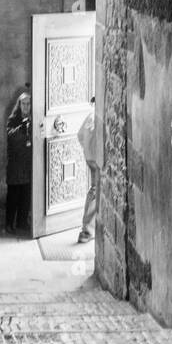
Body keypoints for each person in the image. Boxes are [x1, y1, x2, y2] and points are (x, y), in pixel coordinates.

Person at [4, 87, 33, 234]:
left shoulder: (34, 119)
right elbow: (10, 135)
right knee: (13, 196)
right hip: (16, 164)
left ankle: (22, 222)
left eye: (29, 104)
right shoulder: (13, 119)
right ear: (19, 105)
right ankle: (9, 223)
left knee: (25, 196)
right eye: (24, 104)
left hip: (28, 164)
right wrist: (21, 128)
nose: (26, 107)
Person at [76, 96, 99, 244]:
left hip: (90, 158)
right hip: (97, 159)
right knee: (96, 192)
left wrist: (87, 150)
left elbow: (79, 135)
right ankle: (87, 231)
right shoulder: (99, 118)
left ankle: (88, 229)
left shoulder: (90, 116)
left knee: (94, 190)